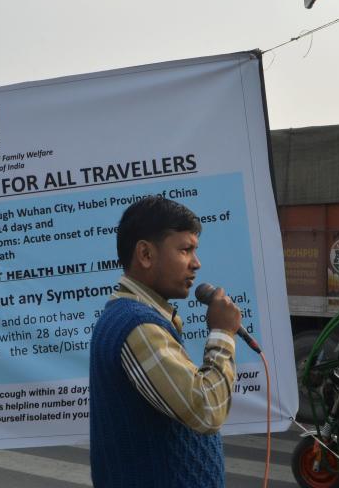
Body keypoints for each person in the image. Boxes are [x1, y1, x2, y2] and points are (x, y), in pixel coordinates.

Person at [89, 195, 242, 488]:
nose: (196, 264)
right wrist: (223, 334)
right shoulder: (137, 326)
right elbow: (207, 411)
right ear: (145, 254)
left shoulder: (140, 317)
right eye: (185, 250)